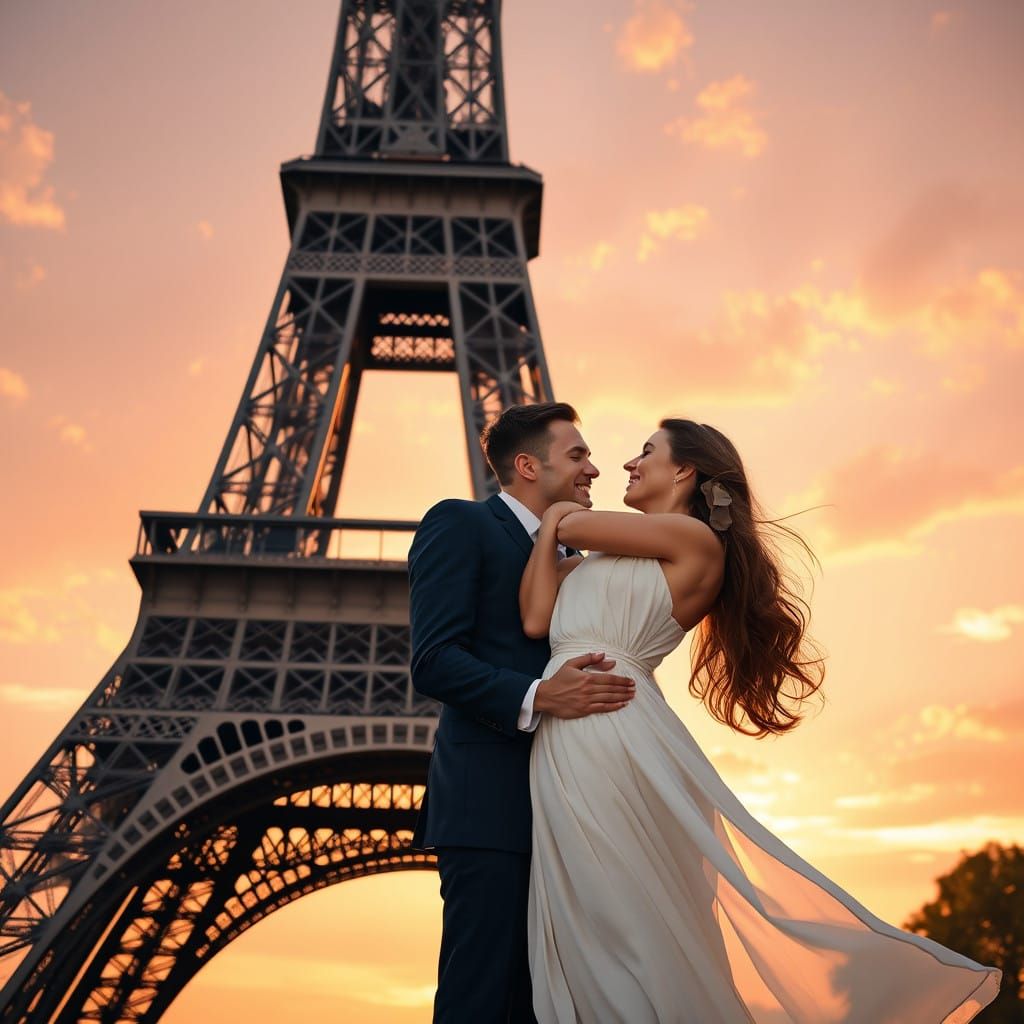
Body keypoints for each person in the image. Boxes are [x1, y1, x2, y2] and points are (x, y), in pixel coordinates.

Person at [520, 418, 1002, 1023]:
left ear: (685, 470)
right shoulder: (603, 555)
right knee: (587, 912)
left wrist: (557, 518)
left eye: (646, 452)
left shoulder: (694, 540)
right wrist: (554, 527)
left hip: (610, 725)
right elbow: (538, 620)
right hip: (568, 729)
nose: (627, 465)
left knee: (613, 905)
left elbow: (569, 526)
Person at [408, 402, 637, 1023]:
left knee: (549, 1002)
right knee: (482, 994)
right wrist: (539, 695)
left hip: (571, 803)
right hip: (492, 802)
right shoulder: (460, 524)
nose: (594, 467)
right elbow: (433, 660)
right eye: (578, 455)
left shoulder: (577, 561)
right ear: (528, 465)